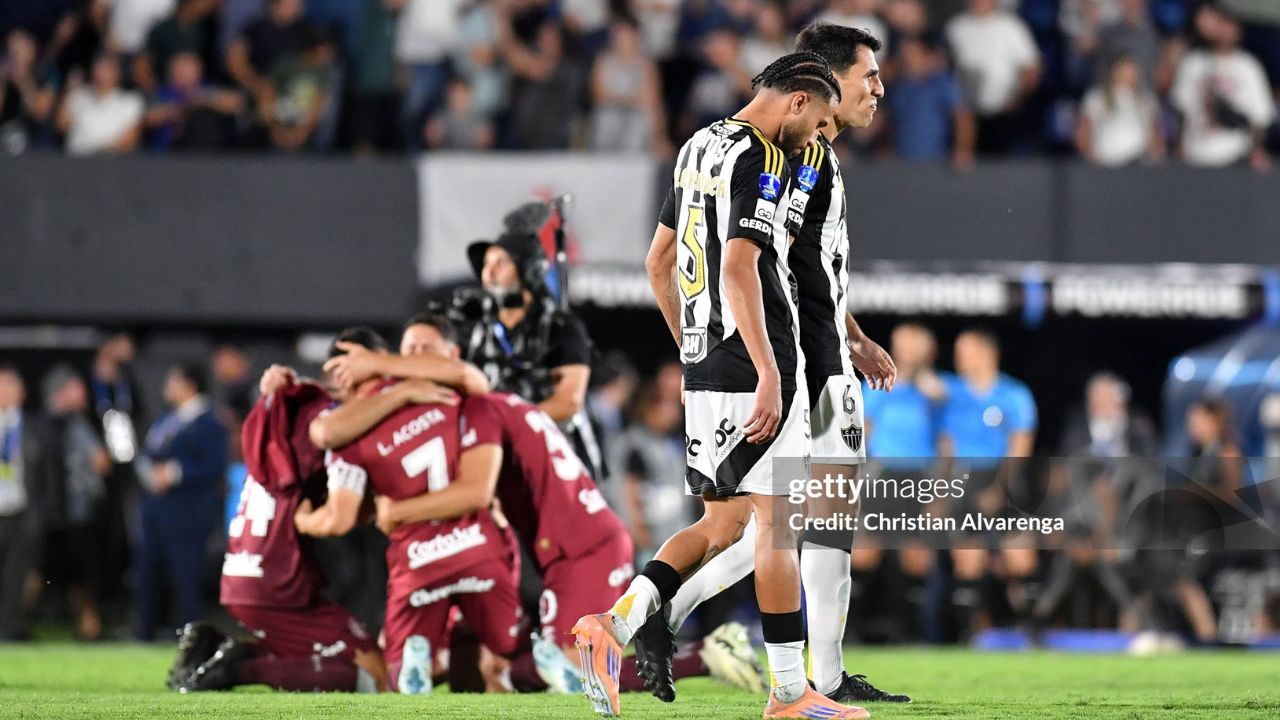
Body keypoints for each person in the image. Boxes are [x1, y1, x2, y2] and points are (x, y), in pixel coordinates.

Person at [574, 52, 855, 720]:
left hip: (705, 365)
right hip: (757, 363)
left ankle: (612, 625)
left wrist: (692, 350)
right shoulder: (761, 156)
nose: (817, 138)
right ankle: (790, 694)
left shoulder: (699, 145)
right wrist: (764, 371)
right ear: (795, 102)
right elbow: (738, 267)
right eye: (817, 123)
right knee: (779, 529)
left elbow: (658, 262)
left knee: (722, 521)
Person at [638, 24, 909, 707]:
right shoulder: (791, 154)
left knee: (757, 523)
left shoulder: (773, 148)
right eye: (868, 76)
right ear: (820, 82)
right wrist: (779, 363)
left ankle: (654, 617)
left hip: (790, 353)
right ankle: (794, 680)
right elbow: (755, 267)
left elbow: (798, 269)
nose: (878, 89)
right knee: (789, 526)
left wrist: (853, 332)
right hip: (794, 364)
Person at [176, 362, 445, 693]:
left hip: (245, 573)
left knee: (334, 658)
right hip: (277, 583)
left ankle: (222, 648)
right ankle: (244, 664)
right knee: (374, 677)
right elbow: (339, 513)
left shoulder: (285, 411)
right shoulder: (322, 418)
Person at [296, 327, 524, 694]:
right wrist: (401, 387)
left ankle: (419, 659)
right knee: (500, 665)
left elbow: (338, 513)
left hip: (418, 555)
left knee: (396, 677)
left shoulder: (347, 432)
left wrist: (304, 520)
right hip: (480, 544)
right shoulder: (446, 392)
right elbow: (472, 378)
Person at [938, 329, 1038, 636]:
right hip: (965, 479)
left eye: (965, 351)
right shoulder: (953, 395)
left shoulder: (1014, 394)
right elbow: (947, 446)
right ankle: (969, 635)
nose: (958, 358)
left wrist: (1000, 488)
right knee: (967, 561)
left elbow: (1021, 445)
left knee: (1020, 559)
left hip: (1004, 477)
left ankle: (1031, 630)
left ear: (987, 353)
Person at [134, 362, 228, 640]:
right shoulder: (167, 419)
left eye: (173, 380)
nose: (167, 386)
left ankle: (188, 636)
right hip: (156, 510)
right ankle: (144, 633)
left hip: (189, 513)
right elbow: (149, 453)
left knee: (187, 577)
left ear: (189, 384)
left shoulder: (210, 421)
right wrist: (149, 473)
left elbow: (213, 466)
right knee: (148, 573)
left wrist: (175, 473)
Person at [29, 366, 111, 641]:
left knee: (45, 572)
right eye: (77, 388)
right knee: (61, 574)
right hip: (70, 513)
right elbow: (101, 462)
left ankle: (13, 623)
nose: (83, 393)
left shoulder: (36, 423)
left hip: (48, 513)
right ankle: (88, 626)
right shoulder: (74, 425)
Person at [1171, 3, 1275, 169]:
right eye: (1222, 23)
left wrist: (1256, 151)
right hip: (1196, 157)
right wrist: (1179, 147)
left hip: (1236, 159)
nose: (1226, 30)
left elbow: (1260, 117)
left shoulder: (1249, 66)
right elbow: (1180, 110)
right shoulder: (1193, 63)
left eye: (1231, 24)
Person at [945, 0, 1041, 155]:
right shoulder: (956, 27)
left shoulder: (1012, 27)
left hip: (1004, 114)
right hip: (966, 114)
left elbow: (1031, 67)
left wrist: (1017, 99)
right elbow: (946, 66)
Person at [884, 35, 975, 165]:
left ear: (925, 54)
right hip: (902, 162)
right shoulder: (898, 87)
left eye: (912, 53)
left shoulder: (942, 83)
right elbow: (890, 122)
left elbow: (962, 118)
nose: (907, 59)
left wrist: (962, 149)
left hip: (937, 162)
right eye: (903, 54)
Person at [588, 16, 670, 153]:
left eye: (625, 34)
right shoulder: (603, 61)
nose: (621, 38)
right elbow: (598, 94)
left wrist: (660, 137)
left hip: (635, 124)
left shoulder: (646, 65)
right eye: (617, 34)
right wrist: (632, 99)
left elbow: (654, 102)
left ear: (635, 36)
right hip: (607, 119)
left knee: (639, 125)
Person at [0, 366, 38, 641]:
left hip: (20, 510)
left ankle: (9, 632)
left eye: (8, 385)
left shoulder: (33, 427)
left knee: (15, 577)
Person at [1076, 53, 1164, 166]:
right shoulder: (1096, 98)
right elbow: (1083, 132)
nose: (1128, 74)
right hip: (1105, 163)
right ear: (1114, 70)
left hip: (1138, 164)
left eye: (1132, 70)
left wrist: (1154, 157)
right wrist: (1092, 159)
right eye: (1124, 69)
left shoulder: (1147, 100)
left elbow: (1155, 134)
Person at [58, 54, 145, 155]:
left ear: (118, 74)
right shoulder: (78, 95)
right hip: (74, 159)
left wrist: (99, 152)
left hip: (111, 162)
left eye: (107, 69)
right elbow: (61, 126)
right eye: (98, 69)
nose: (101, 74)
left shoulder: (130, 101)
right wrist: (69, 91)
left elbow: (130, 140)